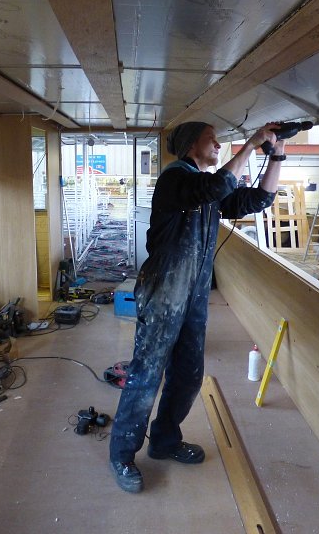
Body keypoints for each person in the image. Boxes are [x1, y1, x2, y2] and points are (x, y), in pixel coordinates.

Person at [109, 120, 286, 493]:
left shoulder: (207, 184)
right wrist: (253, 142)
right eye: (213, 139)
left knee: (189, 372)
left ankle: (165, 442)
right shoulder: (176, 179)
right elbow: (219, 184)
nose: (219, 144)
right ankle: (122, 455)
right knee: (146, 375)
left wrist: (278, 152)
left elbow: (257, 199)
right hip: (163, 291)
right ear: (192, 144)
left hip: (193, 294)